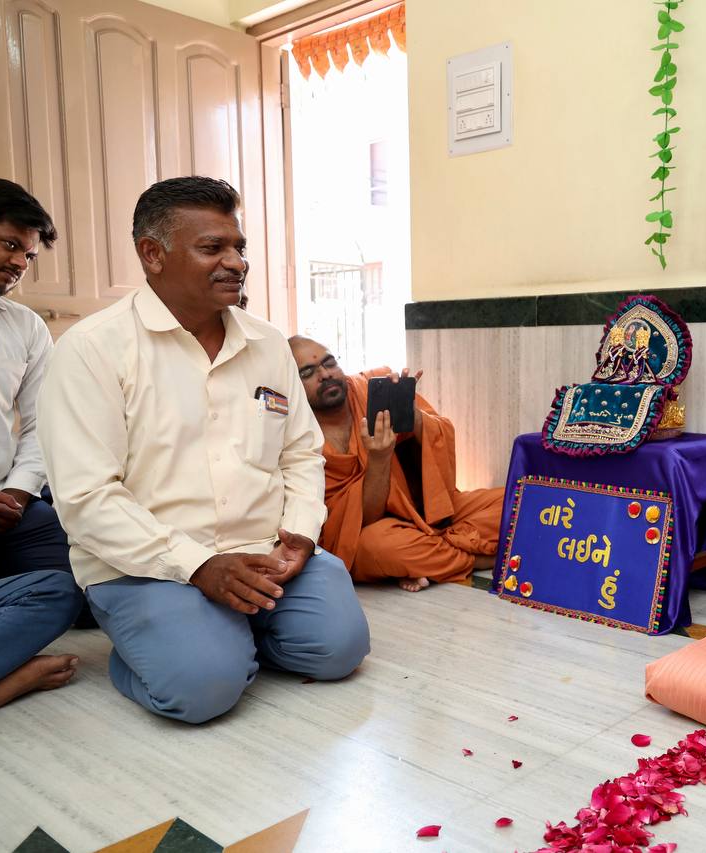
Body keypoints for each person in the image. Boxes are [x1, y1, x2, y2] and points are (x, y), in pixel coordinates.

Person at [38, 177, 369, 724]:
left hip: (266, 550)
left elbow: (300, 453)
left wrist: (301, 532)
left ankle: (227, 637)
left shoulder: (267, 342)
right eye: (213, 248)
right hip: (147, 566)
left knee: (338, 651)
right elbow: (86, 498)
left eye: (239, 247)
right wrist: (197, 566)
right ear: (153, 254)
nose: (236, 262)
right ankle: (159, 654)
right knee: (200, 693)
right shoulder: (92, 349)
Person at [0, 177, 84, 721]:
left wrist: (18, 494)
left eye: (30, 254)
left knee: (85, 587)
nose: (21, 262)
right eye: (9, 244)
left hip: (11, 506)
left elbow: (45, 425)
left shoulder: (25, 327)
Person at [289, 336, 502, 592]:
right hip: (369, 531)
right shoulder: (295, 434)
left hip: (420, 511)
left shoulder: (369, 389)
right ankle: (479, 559)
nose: (325, 374)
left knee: (515, 501)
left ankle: (428, 558)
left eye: (330, 363)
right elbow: (361, 521)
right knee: (380, 546)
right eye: (308, 372)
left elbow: (441, 438)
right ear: (290, 383)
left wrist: (414, 416)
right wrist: (379, 458)